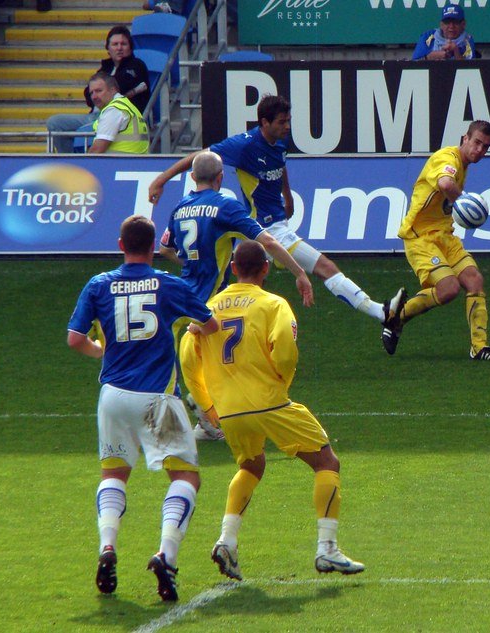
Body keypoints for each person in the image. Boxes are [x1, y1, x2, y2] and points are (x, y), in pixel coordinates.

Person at [180, 240, 365, 581]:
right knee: (326, 462)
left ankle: (227, 540)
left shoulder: (209, 306)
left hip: (229, 410)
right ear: (265, 269)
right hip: (269, 401)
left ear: (233, 268)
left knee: (252, 464)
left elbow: (188, 355)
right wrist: (281, 379)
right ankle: (327, 548)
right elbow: (284, 348)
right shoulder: (274, 304)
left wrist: (207, 406)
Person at [148, 95, 406, 332]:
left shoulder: (280, 142)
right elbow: (200, 156)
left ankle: (223, 333)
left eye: (289, 121)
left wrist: (288, 195)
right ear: (264, 122)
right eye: (282, 122)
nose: (287, 127)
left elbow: (279, 166)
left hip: (271, 226)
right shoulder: (244, 145)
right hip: (264, 230)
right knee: (324, 267)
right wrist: (162, 179)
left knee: (243, 292)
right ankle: (383, 314)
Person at [67, 215, 219, 602]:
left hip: (113, 396)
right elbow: (211, 323)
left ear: (120, 245)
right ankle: (166, 554)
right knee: (185, 477)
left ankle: (107, 546)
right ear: (154, 248)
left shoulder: (99, 284)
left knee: (114, 473)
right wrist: (196, 328)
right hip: (157, 400)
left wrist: (99, 351)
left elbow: (74, 339)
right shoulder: (169, 284)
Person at [158, 150, 314, 441]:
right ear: (220, 178)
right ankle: (220, 417)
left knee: (177, 356)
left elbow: (165, 249)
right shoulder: (224, 207)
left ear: (192, 177)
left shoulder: (179, 208)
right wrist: (299, 272)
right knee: (232, 353)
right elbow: (267, 239)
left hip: (181, 296)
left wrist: (192, 262)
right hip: (209, 299)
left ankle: (193, 413)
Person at [383, 120, 490, 362]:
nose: (479, 150)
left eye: (485, 146)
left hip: (444, 235)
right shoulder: (446, 158)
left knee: (474, 280)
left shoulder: (463, 164)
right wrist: (465, 201)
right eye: (476, 142)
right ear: (464, 139)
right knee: (448, 289)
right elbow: (445, 183)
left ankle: (479, 348)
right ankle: (396, 317)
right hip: (420, 237)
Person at [47, 25, 150, 153]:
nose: (119, 48)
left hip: (117, 118)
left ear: (130, 47)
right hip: (95, 115)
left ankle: (75, 164)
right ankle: (70, 160)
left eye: (123, 44)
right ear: (108, 48)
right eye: (115, 44)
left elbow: (120, 86)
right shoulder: (106, 67)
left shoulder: (136, 66)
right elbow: (87, 95)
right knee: (55, 123)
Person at [85, 71, 149, 154]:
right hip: (133, 163)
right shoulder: (126, 105)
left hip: (117, 164)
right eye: (91, 93)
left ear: (113, 90)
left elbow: (97, 150)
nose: (94, 97)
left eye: (99, 91)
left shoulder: (114, 110)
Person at [411, 4, 478, 61]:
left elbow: (469, 69)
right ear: (441, 25)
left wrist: (456, 51)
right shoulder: (427, 37)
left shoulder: (467, 40)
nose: (451, 26)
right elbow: (412, 65)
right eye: (447, 22)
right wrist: (429, 57)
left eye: (456, 22)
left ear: (463, 24)